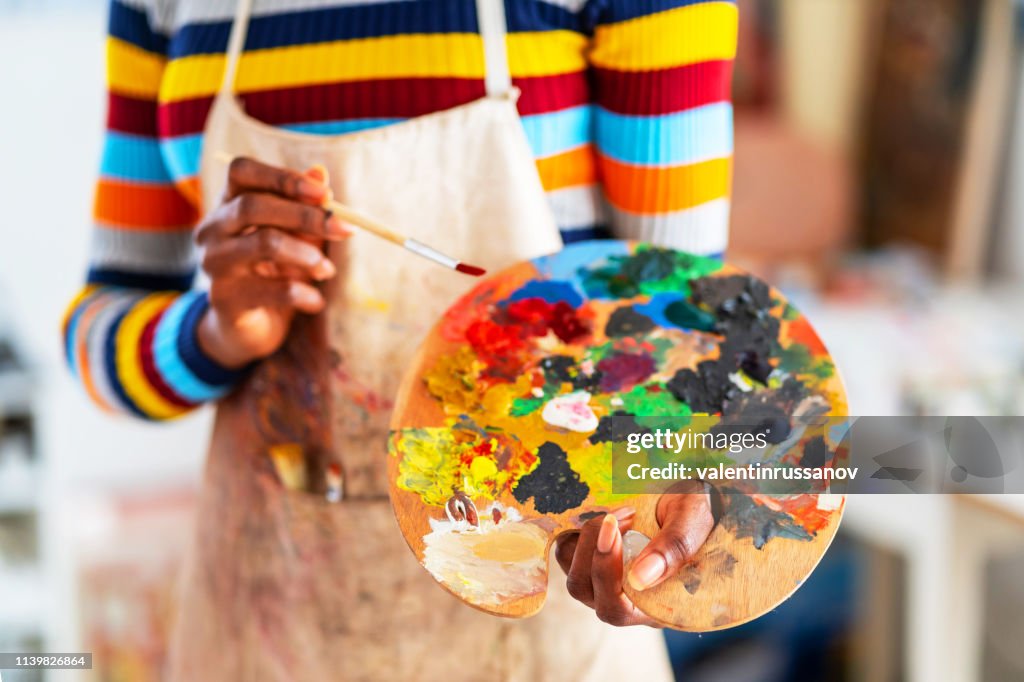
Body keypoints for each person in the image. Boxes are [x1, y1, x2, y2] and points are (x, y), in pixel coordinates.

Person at [63, 0, 737, 679]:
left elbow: (689, 344)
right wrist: (212, 332)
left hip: (543, 617)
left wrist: (686, 487)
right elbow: (96, 330)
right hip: (269, 621)